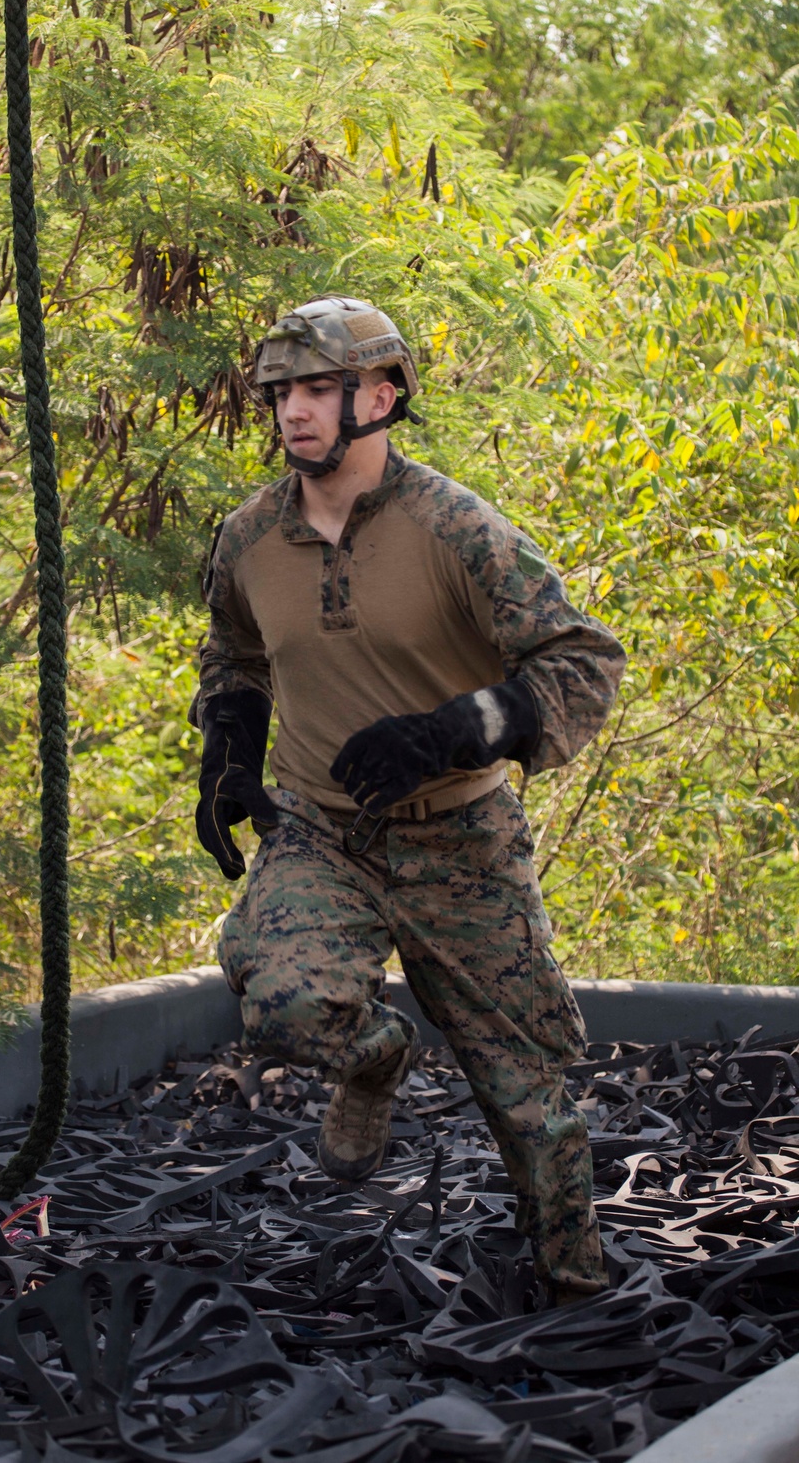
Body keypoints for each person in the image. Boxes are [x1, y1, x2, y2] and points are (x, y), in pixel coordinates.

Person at [189, 295, 626, 1303]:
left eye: (315, 390)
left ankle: (575, 1288)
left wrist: (452, 731)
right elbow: (234, 656)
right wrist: (227, 758)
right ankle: (373, 1062)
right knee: (284, 995)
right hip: (319, 830)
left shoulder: (458, 528)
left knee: (529, 1099)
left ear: (379, 397)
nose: (292, 412)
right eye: (279, 393)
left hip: (461, 839)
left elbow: (582, 663)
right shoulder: (249, 535)